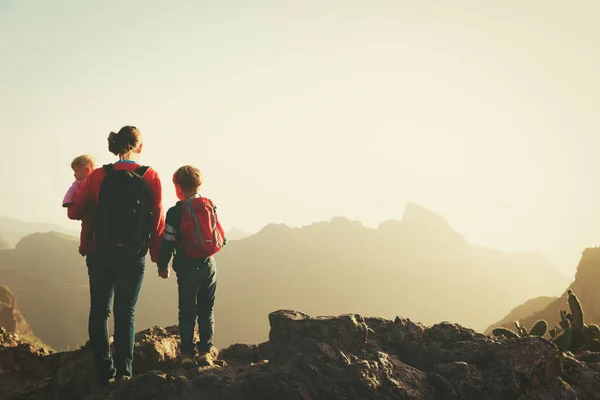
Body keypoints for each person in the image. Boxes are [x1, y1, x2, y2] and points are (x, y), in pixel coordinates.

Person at [68, 126, 165, 383]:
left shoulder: (99, 175)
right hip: (134, 255)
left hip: (100, 251)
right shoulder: (150, 176)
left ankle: (104, 372)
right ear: (140, 147)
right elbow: (157, 221)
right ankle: (124, 372)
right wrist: (157, 257)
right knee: (126, 312)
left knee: (99, 311)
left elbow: (73, 212)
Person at [157, 165, 225, 367]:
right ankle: (205, 352)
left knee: (187, 311)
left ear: (179, 187)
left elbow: (168, 241)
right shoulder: (209, 206)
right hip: (209, 265)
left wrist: (163, 265)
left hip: (187, 267)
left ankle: (187, 354)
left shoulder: (175, 212)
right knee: (207, 309)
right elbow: (222, 237)